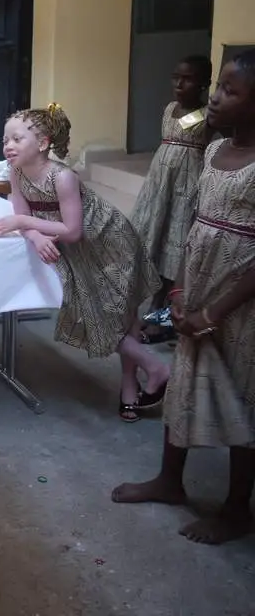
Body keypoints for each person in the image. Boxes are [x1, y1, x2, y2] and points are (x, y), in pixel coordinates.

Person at [112, 50, 255, 545]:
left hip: (240, 302)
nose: (215, 97)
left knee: (242, 395)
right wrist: (180, 292)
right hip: (197, 292)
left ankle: (236, 509)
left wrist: (215, 310)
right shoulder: (213, 153)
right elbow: (194, 226)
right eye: (219, 86)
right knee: (184, 384)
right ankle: (170, 480)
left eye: (230, 90)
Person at [0, 103, 168, 422]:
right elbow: (25, 216)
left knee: (122, 314)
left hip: (111, 243)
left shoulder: (63, 177)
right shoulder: (16, 173)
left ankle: (136, 382)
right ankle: (151, 370)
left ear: (43, 143)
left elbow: (71, 230)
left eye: (17, 139)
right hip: (79, 250)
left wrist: (23, 222)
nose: (8, 146)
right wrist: (35, 236)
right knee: (96, 313)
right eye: (5, 140)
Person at [131, 55, 215, 344]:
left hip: (186, 188)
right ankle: (151, 304)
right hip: (159, 185)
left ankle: (162, 312)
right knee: (154, 241)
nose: (179, 84)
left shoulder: (208, 115)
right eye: (176, 77)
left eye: (188, 79)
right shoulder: (170, 108)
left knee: (174, 248)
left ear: (204, 83)